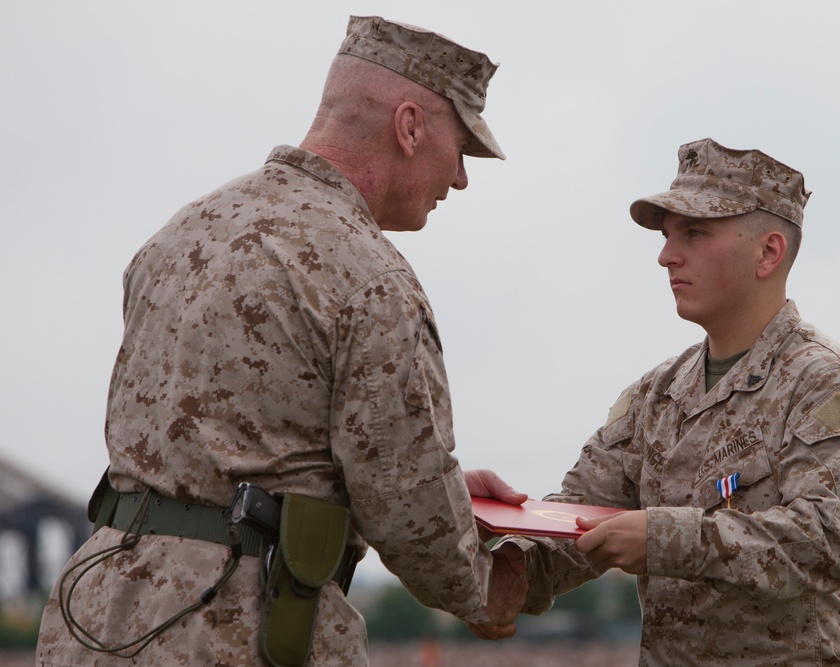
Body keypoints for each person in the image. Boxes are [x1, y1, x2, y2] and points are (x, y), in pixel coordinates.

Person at [36, 15, 526, 667]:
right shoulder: (368, 278)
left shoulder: (182, 234)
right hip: (232, 628)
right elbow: (412, 517)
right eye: (461, 147)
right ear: (409, 128)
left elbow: (228, 447)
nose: (461, 177)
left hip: (95, 619)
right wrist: (491, 589)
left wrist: (443, 485)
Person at [471, 138, 840, 666]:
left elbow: (825, 549)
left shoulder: (828, 387)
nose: (667, 255)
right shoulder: (656, 395)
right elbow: (579, 517)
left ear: (768, 252)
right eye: (669, 236)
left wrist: (663, 538)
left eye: (694, 233)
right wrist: (500, 574)